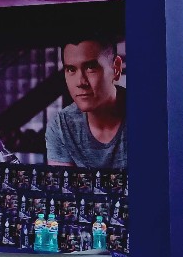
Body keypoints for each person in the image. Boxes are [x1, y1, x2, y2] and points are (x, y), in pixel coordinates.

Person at [46, 36, 128, 171]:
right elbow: (62, 183)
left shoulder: (144, 115)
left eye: (90, 67)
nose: (81, 82)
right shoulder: (61, 125)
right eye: (71, 69)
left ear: (116, 68)